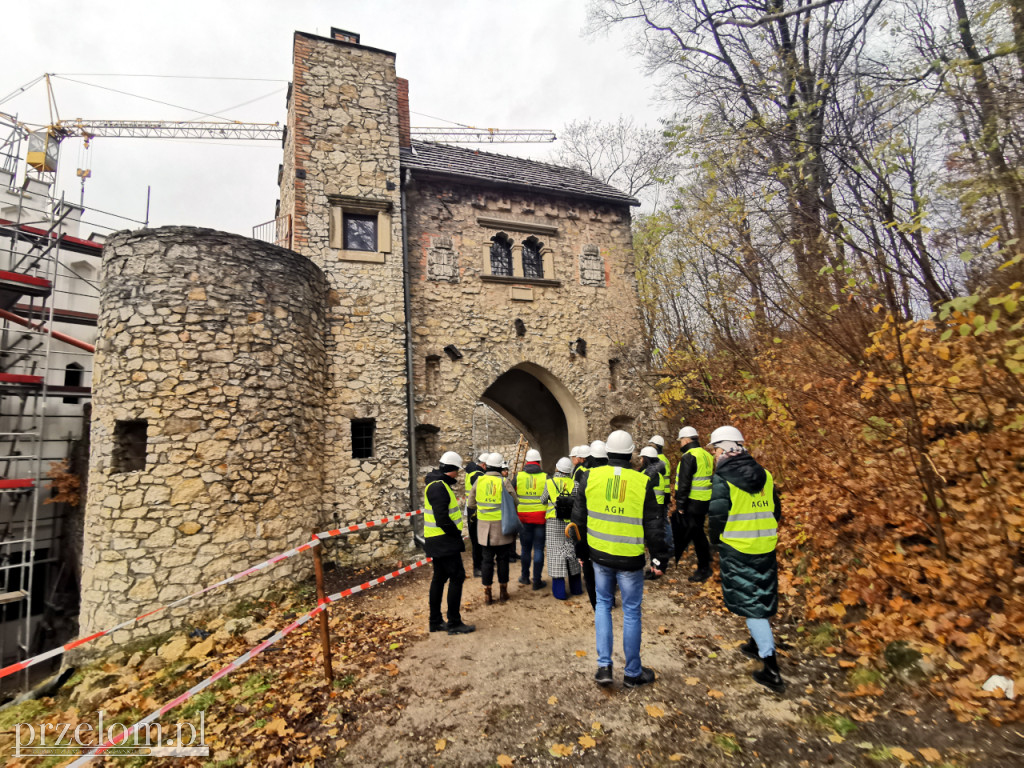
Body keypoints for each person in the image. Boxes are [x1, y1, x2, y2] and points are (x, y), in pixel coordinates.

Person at [571, 430, 669, 688]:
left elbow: (578, 520)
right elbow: (654, 524)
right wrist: (660, 557)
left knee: (603, 605)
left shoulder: (589, 477)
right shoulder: (641, 481)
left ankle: (604, 667)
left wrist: (581, 552)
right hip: (630, 559)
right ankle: (632, 672)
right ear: (631, 454)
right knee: (631, 612)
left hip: (599, 557)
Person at [706, 426, 785, 692]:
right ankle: (756, 643)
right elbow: (776, 510)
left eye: (715, 450)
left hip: (738, 546)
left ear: (724, 449)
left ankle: (770, 666)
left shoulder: (722, 478)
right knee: (760, 595)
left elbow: (717, 515)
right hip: (765, 544)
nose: (715, 455)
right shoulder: (766, 475)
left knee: (751, 605)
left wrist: (715, 542)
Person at [423, 450, 475, 634]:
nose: (458, 475)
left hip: (438, 540)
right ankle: (454, 622)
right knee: (457, 576)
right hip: (443, 541)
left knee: (439, 578)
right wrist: (454, 535)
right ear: (451, 469)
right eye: (457, 471)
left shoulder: (437, 484)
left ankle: (435, 621)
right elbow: (442, 518)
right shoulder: (438, 486)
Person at [472, 452, 517, 604]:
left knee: (487, 561)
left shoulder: (479, 481)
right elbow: (515, 501)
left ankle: (487, 593)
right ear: (499, 467)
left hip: (484, 528)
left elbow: (471, 503)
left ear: (487, 466)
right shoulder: (504, 482)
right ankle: (503, 591)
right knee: (503, 559)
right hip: (502, 527)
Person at [673, 426, 714, 582]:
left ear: (686, 440)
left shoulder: (689, 456)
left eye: (681, 441)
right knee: (699, 534)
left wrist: (680, 506)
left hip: (692, 503)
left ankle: (704, 568)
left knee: (698, 536)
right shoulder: (706, 455)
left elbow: (684, 484)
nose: (680, 445)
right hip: (705, 501)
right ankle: (706, 562)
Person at [545, 456, 582, 600]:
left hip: (554, 524)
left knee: (556, 558)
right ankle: (576, 589)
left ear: (557, 468)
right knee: (571, 556)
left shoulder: (550, 483)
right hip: (570, 524)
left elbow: (543, 500)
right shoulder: (576, 484)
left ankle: (560, 593)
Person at [516, 449, 548, 590]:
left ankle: (525, 577)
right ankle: (537, 581)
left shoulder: (518, 477)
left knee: (525, 549)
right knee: (539, 549)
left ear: (527, 462)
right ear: (539, 462)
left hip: (523, 519)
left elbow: (512, 495)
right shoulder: (546, 477)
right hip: (541, 519)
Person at [639, 446, 669, 580]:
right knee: (654, 542)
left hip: (652, 513)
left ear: (646, 459)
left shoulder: (650, 475)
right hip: (655, 512)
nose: (640, 460)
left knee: (655, 542)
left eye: (641, 458)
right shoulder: (655, 473)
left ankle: (658, 568)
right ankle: (654, 566)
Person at [648, 435, 674, 554]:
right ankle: (669, 545)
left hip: (657, 497)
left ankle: (666, 546)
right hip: (664, 495)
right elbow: (667, 480)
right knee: (665, 521)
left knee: (660, 523)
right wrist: (667, 495)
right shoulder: (665, 459)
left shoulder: (656, 460)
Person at [464, 453, 489, 578]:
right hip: (475, 511)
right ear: (484, 465)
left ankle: (482, 564)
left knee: (479, 540)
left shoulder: (473, 473)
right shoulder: (478, 476)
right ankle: (478, 568)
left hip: (472, 510)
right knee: (477, 541)